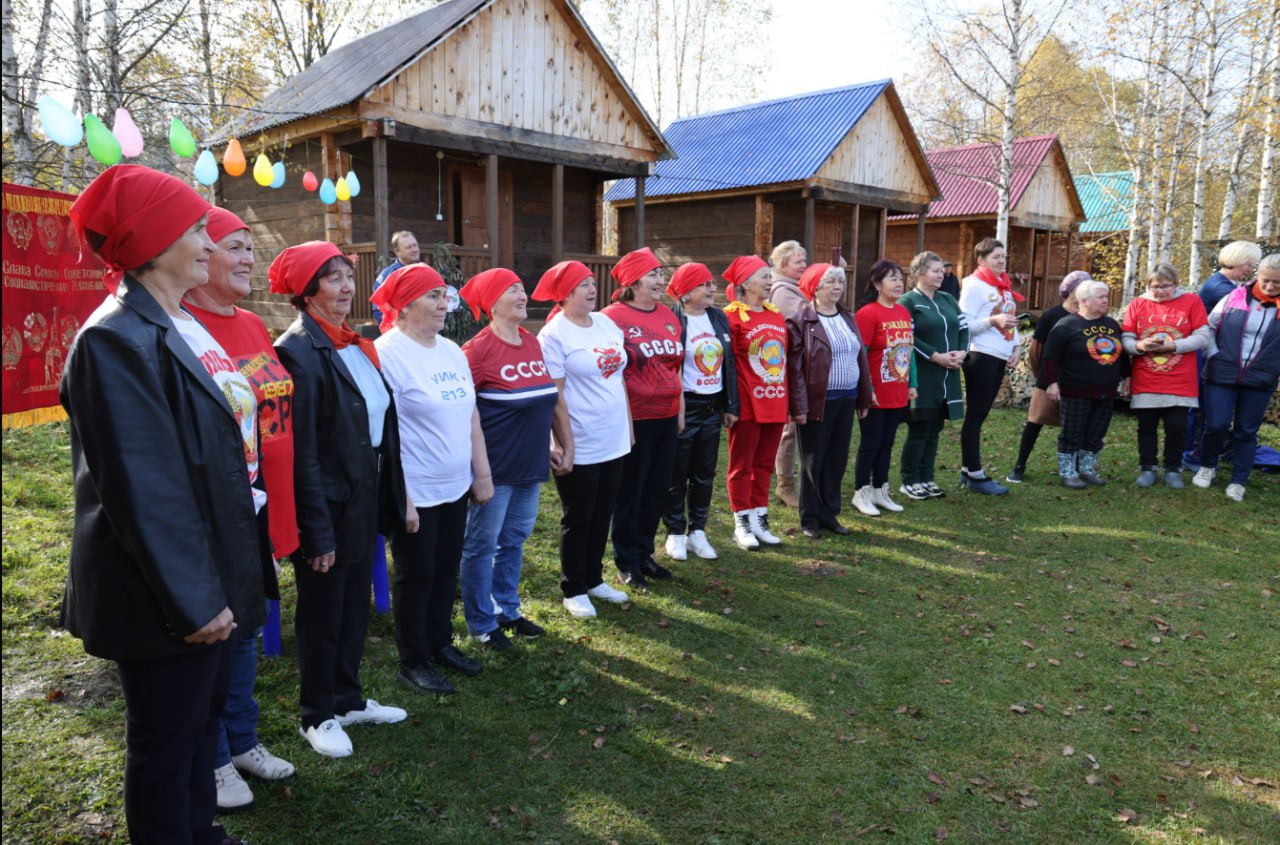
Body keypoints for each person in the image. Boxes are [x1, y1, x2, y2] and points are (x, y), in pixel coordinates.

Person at [61, 164, 268, 845]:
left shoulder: (180, 323)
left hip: (207, 570)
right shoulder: (113, 338)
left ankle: (196, 831)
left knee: (201, 725)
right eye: (196, 229)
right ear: (154, 242)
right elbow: (144, 486)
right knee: (165, 740)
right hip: (163, 593)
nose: (210, 243)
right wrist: (197, 599)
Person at [272, 242, 411, 757]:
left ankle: (348, 698)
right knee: (322, 609)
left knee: (353, 605)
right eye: (332, 279)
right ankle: (317, 712)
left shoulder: (355, 342)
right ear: (307, 291)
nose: (346, 287)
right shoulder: (297, 350)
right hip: (328, 503)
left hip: (363, 494)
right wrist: (316, 530)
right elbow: (302, 450)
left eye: (348, 277)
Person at [183, 208, 297, 811]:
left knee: (250, 627)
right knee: (220, 632)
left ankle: (245, 738)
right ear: (200, 255)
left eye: (252, 246)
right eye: (234, 246)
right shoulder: (181, 327)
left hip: (258, 500)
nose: (249, 257)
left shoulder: (253, 324)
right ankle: (217, 757)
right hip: (215, 508)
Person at [370, 263, 491, 692]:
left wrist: (482, 473)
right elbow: (384, 437)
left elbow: (471, 414)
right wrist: (402, 499)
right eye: (433, 296)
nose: (444, 304)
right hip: (415, 488)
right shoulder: (386, 354)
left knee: (444, 569)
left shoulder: (451, 350)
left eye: (445, 295)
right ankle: (413, 659)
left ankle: (440, 642)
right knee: (415, 572)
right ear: (404, 306)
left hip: (455, 484)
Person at [456, 268, 564, 650]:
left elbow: (545, 399)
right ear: (491, 303)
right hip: (495, 469)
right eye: (512, 290)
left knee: (514, 539)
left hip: (530, 465)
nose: (522, 295)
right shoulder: (476, 350)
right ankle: (481, 623)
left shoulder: (532, 343)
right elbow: (459, 412)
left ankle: (507, 610)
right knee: (481, 546)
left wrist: (555, 442)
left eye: (521, 288)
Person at [534, 261, 632, 618]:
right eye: (583, 285)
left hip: (614, 436)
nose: (592, 289)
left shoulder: (606, 323)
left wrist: (629, 427)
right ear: (564, 294)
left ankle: (593, 578)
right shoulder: (554, 335)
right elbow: (555, 396)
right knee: (579, 515)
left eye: (592, 282)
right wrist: (561, 444)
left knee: (603, 511)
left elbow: (618, 378)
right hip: (581, 438)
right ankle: (573, 587)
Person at [601, 248, 685, 588]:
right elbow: (611, 371)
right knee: (630, 492)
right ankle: (627, 561)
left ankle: (645, 553)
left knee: (656, 488)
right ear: (632, 282)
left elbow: (675, 366)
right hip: (632, 419)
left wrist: (678, 408)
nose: (660, 280)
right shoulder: (611, 317)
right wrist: (625, 420)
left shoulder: (669, 315)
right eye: (653, 275)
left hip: (666, 416)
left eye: (661, 275)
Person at [787, 262, 874, 536]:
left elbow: (860, 358)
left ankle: (830, 514)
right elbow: (795, 369)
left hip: (846, 399)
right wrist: (799, 406)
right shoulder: (802, 320)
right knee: (813, 461)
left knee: (836, 459)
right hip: (818, 401)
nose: (837, 288)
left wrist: (862, 397)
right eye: (830, 283)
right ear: (815, 288)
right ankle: (810, 519)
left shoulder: (847, 316)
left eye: (840, 282)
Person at [662, 262, 739, 562]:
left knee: (704, 474)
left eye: (711, 283)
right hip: (685, 406)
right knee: (676, 473)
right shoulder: (672, 321)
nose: (712, 289)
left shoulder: (717, 317)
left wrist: (730, 405)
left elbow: (729, 364)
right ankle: (675, 532)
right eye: (704, 284)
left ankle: (698, 531)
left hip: (712, 406)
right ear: (684, 293)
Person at [1192, 253, 1280, 502]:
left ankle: (1238, 481)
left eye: (1277, 282)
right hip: (1222, 372)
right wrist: (1214, 355)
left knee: (1246, 431)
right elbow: (1208, 327)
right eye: (1266, 280)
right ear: (1257, 276)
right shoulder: (1235, 297)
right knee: (1216, 424)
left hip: (1260, 379)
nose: (1271, 286)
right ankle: (1207, 466)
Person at [1120, 264, 1209, 488]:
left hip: (1180, 378)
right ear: (1147, 286)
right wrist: (1139, 345)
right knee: (1146, 426)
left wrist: (1174, 346)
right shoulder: (1138, 304)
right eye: (1155, 287)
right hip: (1146, 376)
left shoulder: (1192, 302)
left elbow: (1203, 337)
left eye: (1165, 286)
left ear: (1176, 284)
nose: (1160, 291)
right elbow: (1126, 339)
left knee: (1176, 427)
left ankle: (1172, 469)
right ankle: (1147, 468)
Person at [723, 255, 789, 549]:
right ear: (746, 283)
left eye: (769, 275)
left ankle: (760, 518)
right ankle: (742, 522)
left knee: (764, 464)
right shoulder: (730, 316)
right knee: (742, 466)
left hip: (775, 400)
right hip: (747, 403)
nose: (769, 280)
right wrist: (729, 405)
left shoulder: (775, 315)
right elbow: (726, 364)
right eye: (763, 276)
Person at [1041, 280, 1129, 489]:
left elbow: (1122, 355)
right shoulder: (1066, 325)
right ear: (1084, 300)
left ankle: (1087, 469)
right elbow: (1050, 358)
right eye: (1101, 297)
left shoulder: (1112, 325)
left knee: (1096, 431)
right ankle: (1067, 471)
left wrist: (1128, 377)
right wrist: (1052, 383)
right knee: (1072, 432)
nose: (1105, 300)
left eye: (1106, 296)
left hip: (1105, 390)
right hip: (1075, 390)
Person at [1185, 240, 1263, 468]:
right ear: (1239, 262)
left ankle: (1201, 450)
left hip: (1213, 352)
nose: (1250, 269)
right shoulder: (1222, 288)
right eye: (1249, 264)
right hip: (1207, 353)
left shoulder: (1223, 282)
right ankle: (1193, 452)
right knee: (1202, 406)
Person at [1006, 271, 1088, 484]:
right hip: (1049, 379)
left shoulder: (1089, 316)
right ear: (1071, 291)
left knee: (1077, 425)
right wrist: (1045, 376)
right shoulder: (1053, 315)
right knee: (1035, 421)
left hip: (1078, 381)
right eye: (1083, 286)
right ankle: (1019, 465)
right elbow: (1036, 351)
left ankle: (1076, 466)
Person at [898, 251, 968, 500]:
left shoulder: (948, 299)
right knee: (920, 428)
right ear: (919, 273)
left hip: (947, 376)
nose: (942, 275)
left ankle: (927, 477)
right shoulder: (908, 301)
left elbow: (963, 327)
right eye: (935, 271)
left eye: (942, 271)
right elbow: (906, 336)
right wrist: (934, 356)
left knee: (935, 429)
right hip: (924, 375)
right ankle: (909, 480)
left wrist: (962, 352)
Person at [957, 237, 1022, 495]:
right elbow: (965, 324)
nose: (1001, 261)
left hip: (999, 355)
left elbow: (1011, 321)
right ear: (981, 260)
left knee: (980, 415)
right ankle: (974, 473)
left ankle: (967, 471)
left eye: (1003, 256)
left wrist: (1016, 347)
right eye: (996, 257)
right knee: (975, 415)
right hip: (981, 356)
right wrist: (993, 320)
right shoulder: (974, 286)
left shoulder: (1003, 286)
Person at [853, 260, 914, 516]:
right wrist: (866, 392)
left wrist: (913, 384)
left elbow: (908, 351)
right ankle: (861, 492)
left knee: (887, 443)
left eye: (900, 278)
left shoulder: (903, 312)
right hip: (875, 393)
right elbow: (860, 355)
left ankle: (880, 490)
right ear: (877, 284)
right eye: (892, 278)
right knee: (871, 443)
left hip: (898, 391)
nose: (899, 283)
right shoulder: (868, 313)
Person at [768, 240, 809, 508]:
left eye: (804, 261)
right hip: (787, 368)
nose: (804, 265)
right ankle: (785, 485)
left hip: (801, 367)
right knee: (790, 428)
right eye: (798, 262)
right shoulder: (783, 291)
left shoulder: (796, 288)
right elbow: (805, 320)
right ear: (783, 265)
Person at [370, 231, 421, 327]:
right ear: (397, 251)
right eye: (409, 247)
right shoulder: (387, 275)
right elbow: (377, 309)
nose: (414, 249)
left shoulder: (427, 272)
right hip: (399, 331)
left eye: (415, 245)